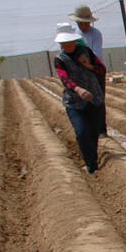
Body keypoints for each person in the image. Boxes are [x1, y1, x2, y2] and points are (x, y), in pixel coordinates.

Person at [52, 22, 105, 175]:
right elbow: (65, 79)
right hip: (74, 102)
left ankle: (93, 161)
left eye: (70, 42)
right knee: (82, 132)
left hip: (94, 99)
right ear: (60, 44)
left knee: (93, 133)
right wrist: (78, 89)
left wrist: (87, 65)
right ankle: (90, 165)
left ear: (75, 41)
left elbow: (101, 69)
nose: (68, 46)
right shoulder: (60, 59)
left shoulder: (86, 52)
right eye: (64, 43)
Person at [68, 5, 106, 136]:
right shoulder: (72, 33)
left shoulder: (96, 34)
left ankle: (101, 130)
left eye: (87, 23)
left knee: (98, 98)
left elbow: (97, 53)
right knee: (81, 100)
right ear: (77, 22)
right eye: (81, 23)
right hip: (78, 72)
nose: (84, 26)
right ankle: (87, 128)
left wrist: (87, 64)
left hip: (94, 69)